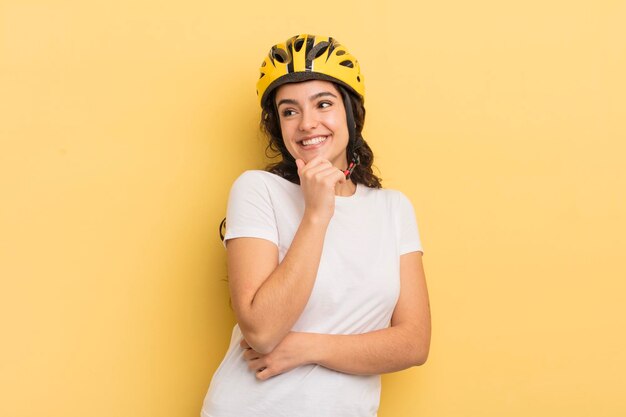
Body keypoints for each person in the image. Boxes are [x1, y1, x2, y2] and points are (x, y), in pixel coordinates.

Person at [201, 34, 431, 417]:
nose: (307, 124)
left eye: (322, 104)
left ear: (351, 114)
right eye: (289, 111)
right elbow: (261, 330)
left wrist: (306, 347)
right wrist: (316, 214)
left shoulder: (393, 209)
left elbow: (413, 343)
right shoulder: (257, 190)